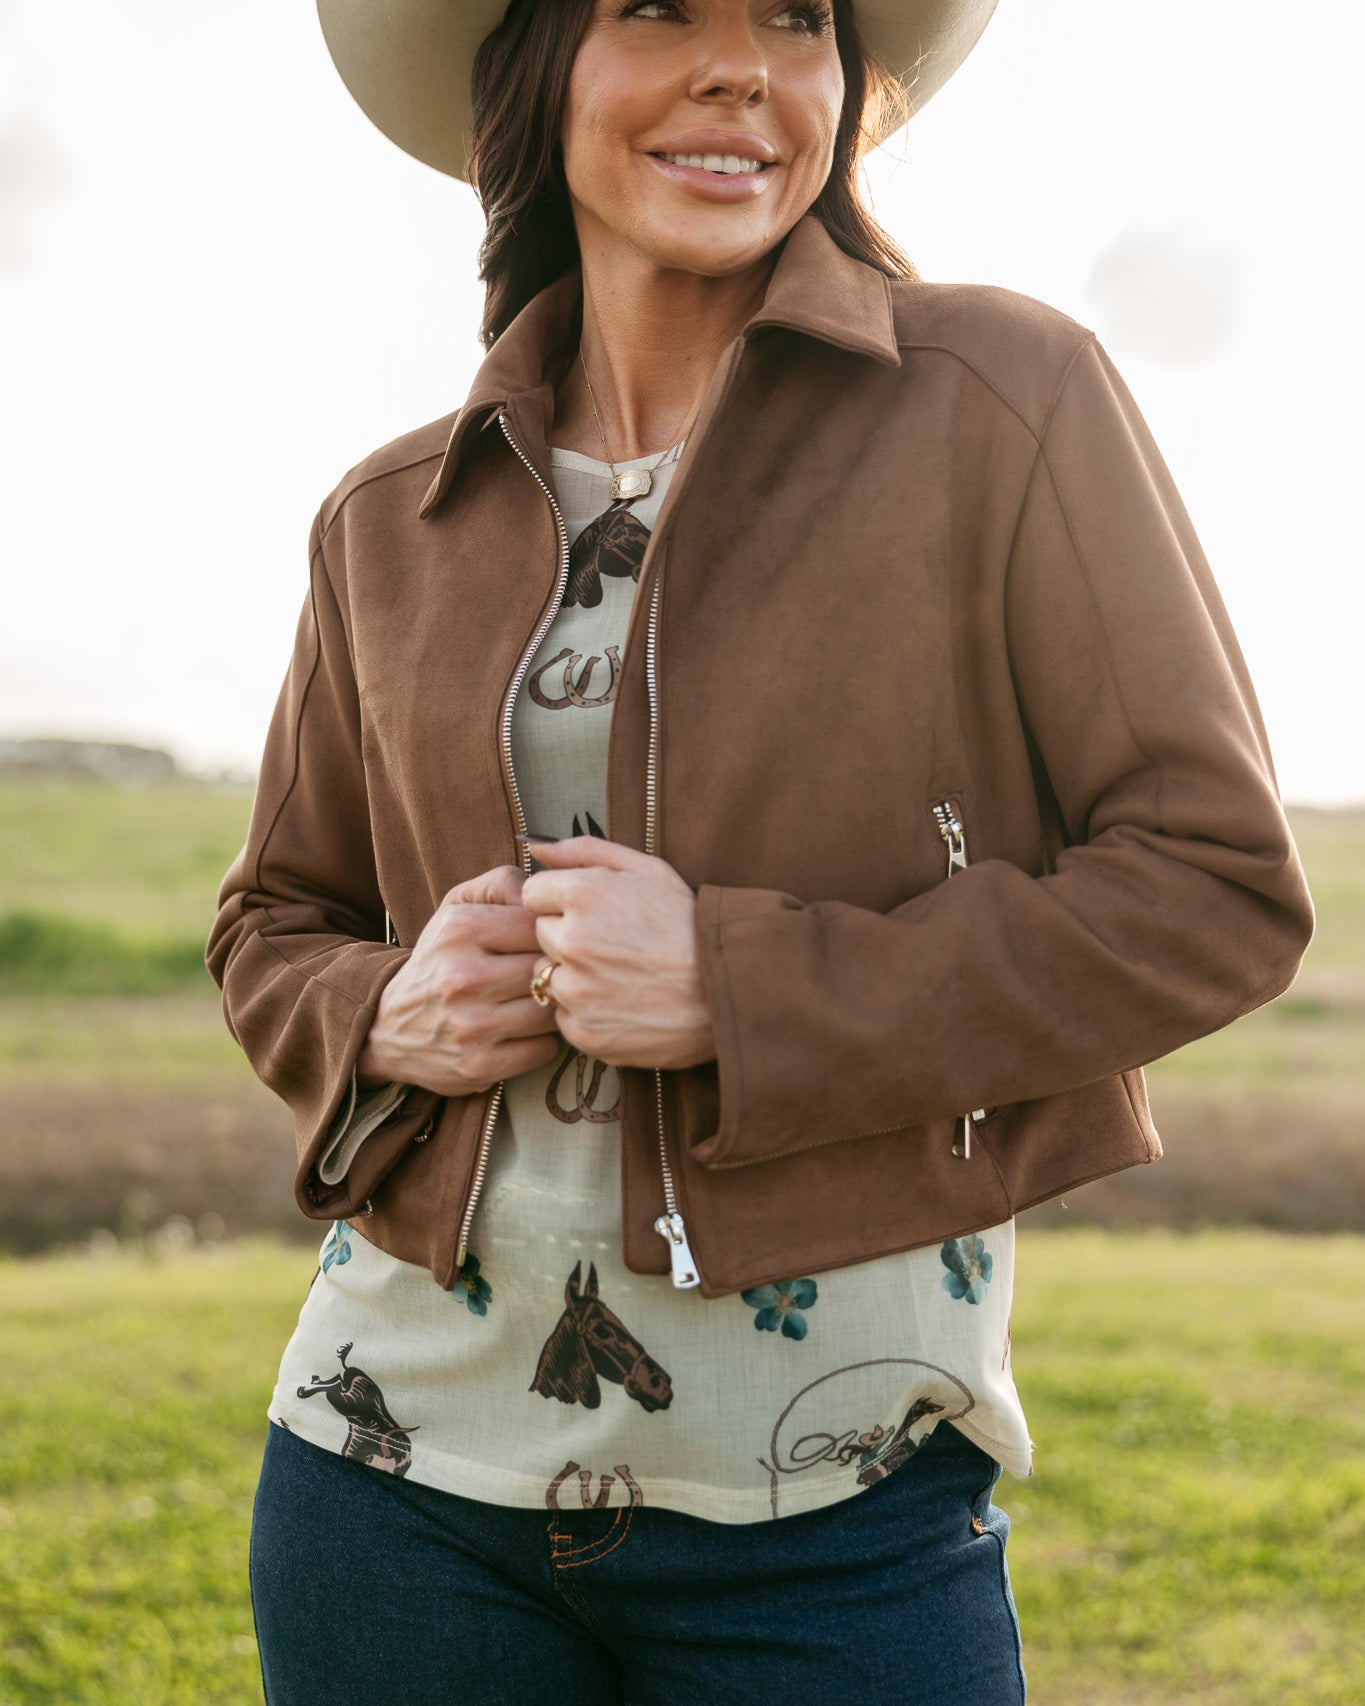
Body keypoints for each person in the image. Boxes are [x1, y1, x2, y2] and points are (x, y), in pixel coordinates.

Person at [207, 0, 1314, 1700]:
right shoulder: (384, 518)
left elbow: (1212, 887)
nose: (740, 65)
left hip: (837, 1511)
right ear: (538, 71)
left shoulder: (1001, 397)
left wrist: (739, 986)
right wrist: (384, 1014)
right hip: (389, 1486)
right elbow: (272, 922)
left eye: (796, 14)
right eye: (659, 4)